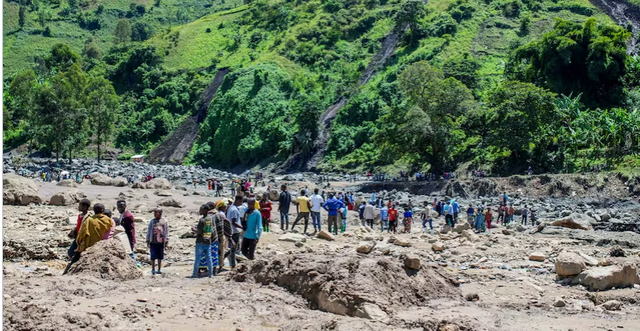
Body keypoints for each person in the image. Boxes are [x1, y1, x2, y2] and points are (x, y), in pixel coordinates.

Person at [63, 204, 113, 274]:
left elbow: (82, 233)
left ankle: (67, 272)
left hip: (88, 244)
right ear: (103, 210)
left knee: (75, 259)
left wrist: (78, 242)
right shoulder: (108, 220)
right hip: (100, 245)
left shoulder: (89, 220)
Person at [193, 204, 215, 278]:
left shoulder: (202, 220)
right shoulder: (210, 219)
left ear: (205, 210)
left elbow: (199, 231)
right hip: (208, 240)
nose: (200, 211)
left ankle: (195, 274)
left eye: (201, 209)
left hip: (200, 241)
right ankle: (211, 274)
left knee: (198, 258)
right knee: (209, 258)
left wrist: (193, 230)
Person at [146, 208, 169, 275]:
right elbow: (149, 231)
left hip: (161, 242)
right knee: (153, 256)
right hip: (153, 241)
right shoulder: (152, 221)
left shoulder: (164, 221)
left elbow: (166, 231)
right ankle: (153, 269)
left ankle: (159, 269)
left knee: (160, 256)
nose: (155, 214)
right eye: (154, 212)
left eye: (156, 212)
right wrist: (147, 240)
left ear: (160, 213)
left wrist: (166, 240)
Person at [211, 201, 231, 274]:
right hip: (220, 235)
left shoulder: (216, 214)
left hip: (215, 235)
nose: (226, 208)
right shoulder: (221, 214)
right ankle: (220, 266)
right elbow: (225, 225)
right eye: (225, 206)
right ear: (222, 207)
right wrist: (229, 235)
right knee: (221, 251)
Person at [226, 195, 244, 269]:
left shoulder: (231, 207)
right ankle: (233, 265)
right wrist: (242, 227)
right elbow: (234, 222)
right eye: (241, 202)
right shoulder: (235, 210)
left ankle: (224, 257)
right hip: (234, 231)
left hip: (230, 230)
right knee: (233, 249)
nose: (241, 203)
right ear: (238, 200)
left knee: (231, 248)